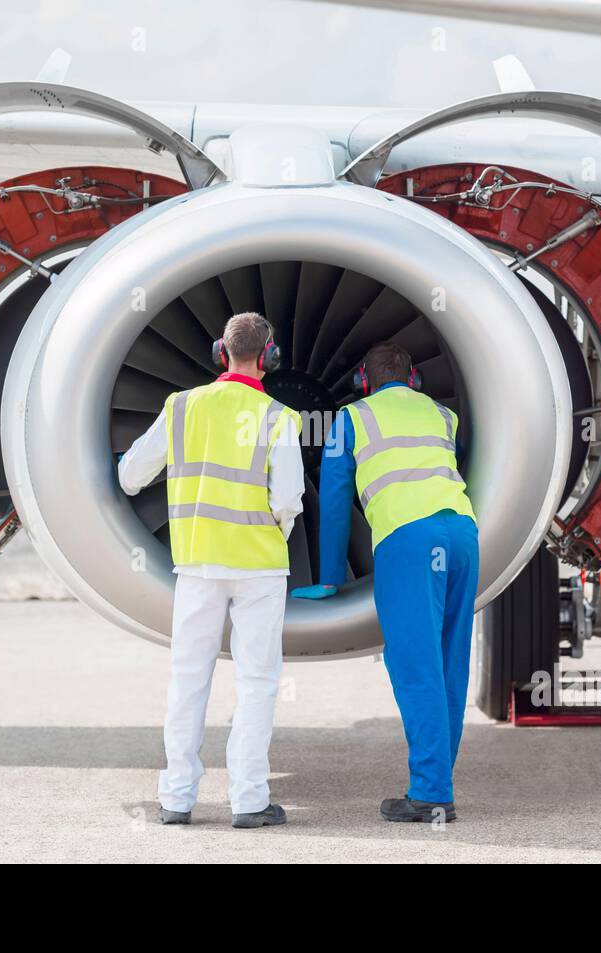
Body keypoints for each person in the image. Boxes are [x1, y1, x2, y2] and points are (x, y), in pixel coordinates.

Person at [118, 312, 304, 829]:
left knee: (188, 678)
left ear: (220, 352)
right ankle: (248, 800)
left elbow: (131, 477)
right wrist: (272, 534)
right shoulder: (278, 418)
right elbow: (287, 499)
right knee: (258, 681)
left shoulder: (181, 408)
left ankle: (176, 799)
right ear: (270, 358)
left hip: (197, 565)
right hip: (260, 567)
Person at [293, 341, 477, 823]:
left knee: (415, 665)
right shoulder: (442, 415)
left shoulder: (351, 420)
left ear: (362, 381)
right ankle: (438, 781)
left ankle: (431, 792)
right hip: (461, 531)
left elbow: (334, 504)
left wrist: (331, 579)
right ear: (413, 377)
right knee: (448, 661)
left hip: (407, 538)